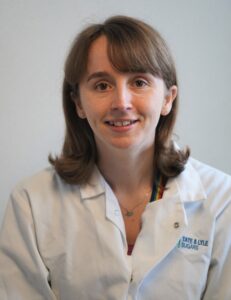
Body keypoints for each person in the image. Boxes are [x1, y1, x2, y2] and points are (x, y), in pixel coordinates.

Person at [0, 15, 230, 300]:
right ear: (78, 103)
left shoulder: (222, 200)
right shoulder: (31, 202)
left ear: (168, 99)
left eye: (139, 82)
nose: (121, 102)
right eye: (101, 85)